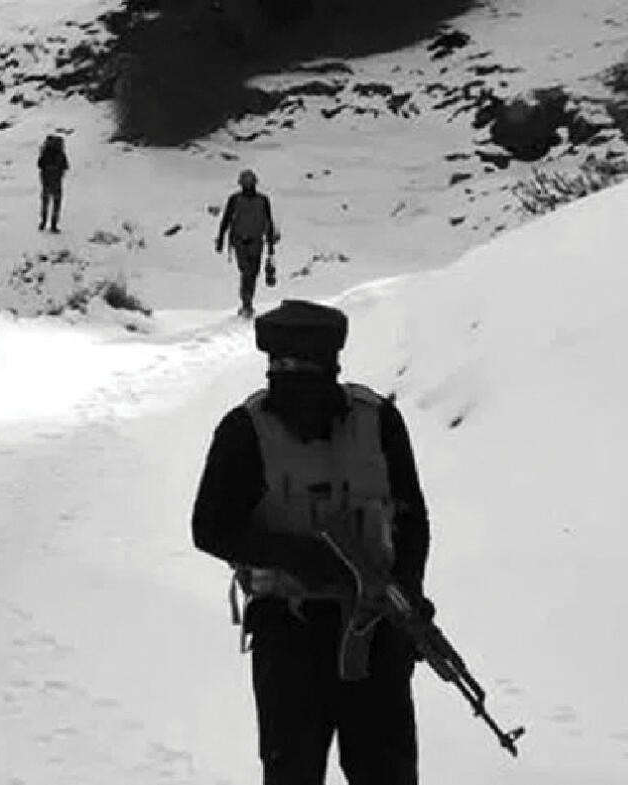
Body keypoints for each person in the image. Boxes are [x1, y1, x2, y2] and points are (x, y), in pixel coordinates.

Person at [190, 299, 432, 785]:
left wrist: (407, 592)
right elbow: (210, 527)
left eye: (307, 369)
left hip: (375, 630)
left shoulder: (377, 421)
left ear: (332, 367)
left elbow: (411, 519)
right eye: (283, 369)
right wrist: (297, 556)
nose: (295, 383)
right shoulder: (244, 430)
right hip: (287, 634)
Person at [215, 169, 279, 318]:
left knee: (253, 273)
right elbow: (226, 220)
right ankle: (246, 303)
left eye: (250, 182)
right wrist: (220, 239)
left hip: (257, 242)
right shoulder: (234, 200)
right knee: (247, 272)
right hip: (240, 242)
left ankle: (248, 301)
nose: (248, 185)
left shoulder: (263, 200)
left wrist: (270, 246)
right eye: (245, 182)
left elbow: (268, 222)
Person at [37, 134, 69, 232]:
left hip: (46, 181)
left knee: (45, 202)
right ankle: (53, 224)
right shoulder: (60, 153)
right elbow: (66, 166)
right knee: (56, 203)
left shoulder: (45, 152)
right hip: (56, 181)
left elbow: (39, 164)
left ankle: (43, 222)